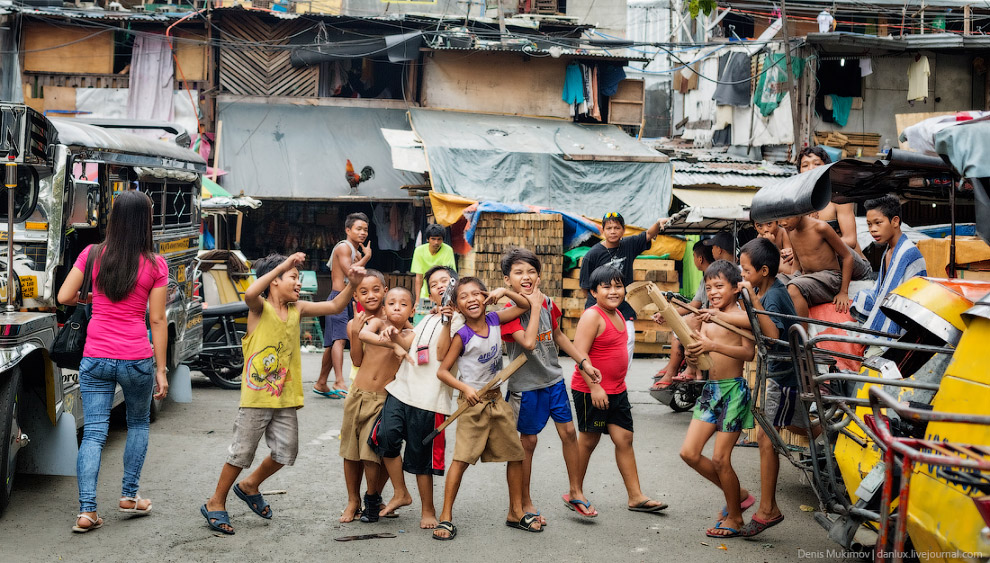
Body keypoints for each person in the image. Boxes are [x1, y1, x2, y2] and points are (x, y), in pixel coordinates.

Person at [201, 253, 364, 535]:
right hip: (256, 398)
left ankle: (250, 485)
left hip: (285, 397)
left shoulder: (297, 308)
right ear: (275, 281)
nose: (298, 284)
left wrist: (352, 282)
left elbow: (336, 304)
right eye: (293, 278)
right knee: (241, 453)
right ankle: (215, 501)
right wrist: (283, 264)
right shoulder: (258, 308)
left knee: (286, 452)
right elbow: (252, 290)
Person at [57, 191, 169, 533]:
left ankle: (87, 511)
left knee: (93, 434)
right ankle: (129, 496)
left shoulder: (92, 255)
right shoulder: (154, 263)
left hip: (96, 356)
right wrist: (161, 370)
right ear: (146, 221)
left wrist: (90, 297)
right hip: (136, 358)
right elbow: (158, 320)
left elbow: (63, 297)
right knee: (137, 424)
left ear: (114, 218)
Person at [499, 247, 603, 522]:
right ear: (507, 279)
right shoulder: (508, 313)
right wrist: (531, 306)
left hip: (553, 380)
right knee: (528, 443)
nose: (526, 277)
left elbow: (558, 335)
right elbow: (529, 342)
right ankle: (524, 501)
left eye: (531, 271)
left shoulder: (546, 302)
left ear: (540, 276)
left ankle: (575, 490)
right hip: (526, 387)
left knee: (569, 433)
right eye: (519, 272)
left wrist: (584, 362)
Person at [433, 278, 535, 540]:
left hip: (496, 400)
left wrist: (504, 292)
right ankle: (446, 517)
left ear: (485, 296)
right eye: (463, 297)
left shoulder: (493, 320)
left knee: (516, 455)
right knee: (461, 460)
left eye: (476, 294)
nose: (472, 299)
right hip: (471, 405)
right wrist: (465, 388)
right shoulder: (462, 335)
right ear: (456, 305)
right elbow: (443, 372)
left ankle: (515, 512)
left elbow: (524, 305)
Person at [367, 266, 464, 530]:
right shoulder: (428, 317)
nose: (440, 286)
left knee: (422, 460)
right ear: (429, 292)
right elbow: (414, 344)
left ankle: (428, 509)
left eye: (446, 281)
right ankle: (401, 492)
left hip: (431, 399)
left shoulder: (463, 319)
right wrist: (393, 335)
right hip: (402, 390)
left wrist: (448, 318)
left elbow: (443, 354)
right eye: (434, 284)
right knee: (384, 438)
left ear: (457, 285)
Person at [571, 266, 668, 516]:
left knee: (624, 439)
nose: (614, 291)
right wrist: (595, 388)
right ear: (593, 292)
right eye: (606, 287)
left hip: (617, 390)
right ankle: (575, 492)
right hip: (591, 390)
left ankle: (636, 497)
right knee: (589, 440)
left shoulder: (618, 315)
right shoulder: (592, 316)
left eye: (618, 286)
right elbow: (579, 355)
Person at [736, 238, 808, 537]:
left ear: (763, 271)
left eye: (746, 270)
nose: (743, 275)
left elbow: (772, 332)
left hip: (785, 376)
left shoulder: (773, 296)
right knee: (797, 426)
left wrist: (752, 303)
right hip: (782, 373)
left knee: (767, 439)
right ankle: (834, 434)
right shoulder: (762, 290)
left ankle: (768, 509)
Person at [679, 260, 756, 539]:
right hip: (711, 390)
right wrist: (692, 355)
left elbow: (748, 353)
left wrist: (712, 345)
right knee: (689, 453)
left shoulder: (738, 316)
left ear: (736, 288)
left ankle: (735, 517)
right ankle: (740, 494)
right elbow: (699, 353)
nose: (712, 292)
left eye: (719, 286)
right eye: (708, 287)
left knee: (721, 459)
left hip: (733, 391)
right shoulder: (707, 316)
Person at [339, 287, 415, 524]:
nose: (397, 308)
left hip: (382, 399)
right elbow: (363, 335)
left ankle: (372, 498)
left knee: (371, 454)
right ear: (384, 308)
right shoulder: (376, 323)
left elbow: (404, 341)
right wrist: (392, 344)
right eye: (391, 303)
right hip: (357, 395)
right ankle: (353, 501)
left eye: (403, 304)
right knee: (350, 453)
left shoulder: (412, 334)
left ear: (412, 310)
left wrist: (396, 339)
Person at [579, 212, 666, 365]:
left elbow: (648, 234)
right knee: (597, 344)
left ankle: (619, 377)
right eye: (609, 228)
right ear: (603, 231)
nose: (613, 231)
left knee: (629, 339)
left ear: (623, 230)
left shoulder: (628, 245)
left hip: (623, 306)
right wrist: (596, 305)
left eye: (617, 228)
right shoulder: (592, 255)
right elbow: (585, 287)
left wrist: (659, 223)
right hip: (597, 307)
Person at [851, 195, 927, 336]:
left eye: (878, 223)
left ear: (895, 221)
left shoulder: (909, 254)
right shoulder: (888, 251)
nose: (872, 229)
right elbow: (881, 291)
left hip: (897, 331)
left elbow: (912, 301)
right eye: (869, 224)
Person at [315, 212, 372, 398]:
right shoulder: (344, 247)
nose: (362, 233)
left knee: (334, 343)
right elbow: (351, 273)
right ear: (348, 230)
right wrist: (367, 258)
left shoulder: (353, 250)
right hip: (338, 297)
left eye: (365, 229)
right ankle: (339, 380)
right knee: (339, 339)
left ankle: (321, 382)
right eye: (358, 229)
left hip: (347, 298)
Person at [652, 242, 714, 389]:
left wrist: (669, 315)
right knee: (680, 322)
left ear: (699, 259)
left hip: (710, 318)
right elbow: (694, 305)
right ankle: (673, 367)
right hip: (703, 316)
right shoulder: (704, 277)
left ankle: (681, 370)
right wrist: (667, 314)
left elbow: (695, 307)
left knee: (685, 323)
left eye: (693, 256)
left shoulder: (711, 276)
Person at [777, 213, 857, 317]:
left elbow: (847, 257)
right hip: (807, 277)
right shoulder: (790, 230)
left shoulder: (820, 227)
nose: (783, 223)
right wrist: (793, 277)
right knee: (775, 282)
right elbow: (796, 260)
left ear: (799, 212)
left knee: (794, 288)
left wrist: (843, 292)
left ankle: (801, 333)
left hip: (830, 278)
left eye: (787, 217)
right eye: (780, 218)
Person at [797, 147, 866, 261]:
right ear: (800, 171)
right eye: (805, 165)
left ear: (826, 168)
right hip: (819, 262)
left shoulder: (839, 198)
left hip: (850, 262)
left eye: (817, 164)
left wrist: (818, 244)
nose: (811, 169)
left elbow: (851, 240)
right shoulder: (797, 202)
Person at [411, 223, 457, 304]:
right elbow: (419, 278)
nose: (436, 242)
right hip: (426, 293)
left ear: (443, 240)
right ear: (428, 239)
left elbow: (450, 275)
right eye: (433, 239)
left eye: (439, 239)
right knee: (421, 315)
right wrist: (417, 300)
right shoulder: (419, 251)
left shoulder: (448, 250)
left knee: (443, 315)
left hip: (443, 293)